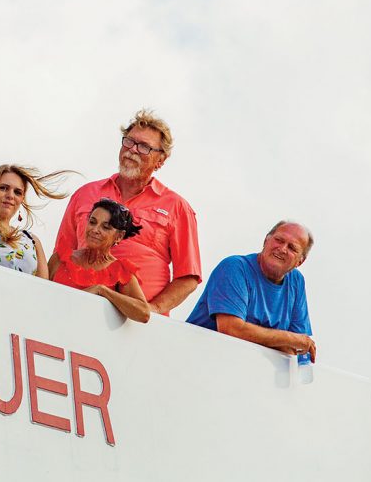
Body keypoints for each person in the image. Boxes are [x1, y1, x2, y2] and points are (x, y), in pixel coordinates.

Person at [50, 109, 200, 315]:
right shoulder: (85, 194)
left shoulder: (176, 207)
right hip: (77, 310)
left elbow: (188, 276)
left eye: (144, 147)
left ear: (160, 160)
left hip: (135, 325)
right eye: (129, 142)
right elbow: (61, 254)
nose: (132, 150)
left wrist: (154, 309)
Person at [187, 221, 316, 363]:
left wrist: (290, 342)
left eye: (292, 248)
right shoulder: (235, 267)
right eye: (279, 240)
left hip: (245, 370)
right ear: (266, 241)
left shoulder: (296, 282)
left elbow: (298, 351)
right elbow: (231, 329)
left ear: (300, 262)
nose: (282, 249)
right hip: (197, 361)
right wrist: (288, 339)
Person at [52, 199, 151, 323]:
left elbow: (144, 313)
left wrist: (102, 290)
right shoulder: (61, 257)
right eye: (92, 222)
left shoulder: (120, 271)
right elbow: (38, 293)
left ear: (119, 236)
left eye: (105, 227)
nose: (95, 230)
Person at [0, 165, 70, 278]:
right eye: (3, 188)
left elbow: (43, 289)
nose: (10, 195)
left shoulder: (32, 241)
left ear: (22, 199)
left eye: (17, 192)